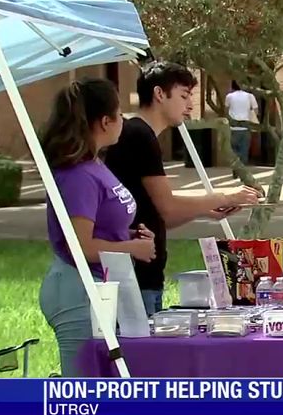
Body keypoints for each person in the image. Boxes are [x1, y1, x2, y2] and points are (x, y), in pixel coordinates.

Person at [104, 61, 260, 316]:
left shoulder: (140, 134)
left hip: (144, 276)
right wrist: (225, 195)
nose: (189, 105)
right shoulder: (139, 135)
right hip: (135, 277)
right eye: (184, 96)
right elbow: (168, 207)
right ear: (159, 94)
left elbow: (161, 213)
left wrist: (206, 210)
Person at [39, 78, 157, 377]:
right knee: (84, 388)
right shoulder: (78, 175)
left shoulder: (95, 164)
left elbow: (97, 226)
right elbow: (80, 247)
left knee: (108, 383)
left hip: (100, 288)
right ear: (105, 121)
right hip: (77, 290)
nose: (124, 120)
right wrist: (132, 249)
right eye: (120, 114)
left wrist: (127, 236)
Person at [225, 80, 258, 167]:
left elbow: (226, 111)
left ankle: (235, 170)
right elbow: (256, 111)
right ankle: (242, 171)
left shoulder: (229, 96)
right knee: (244, 151)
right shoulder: (250, 96)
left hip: (233, 127)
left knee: (234, 151)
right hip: (245, 127)